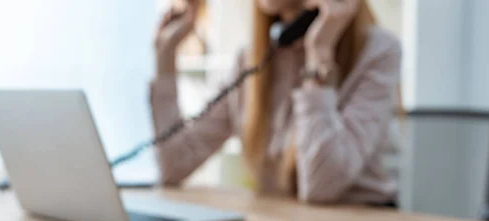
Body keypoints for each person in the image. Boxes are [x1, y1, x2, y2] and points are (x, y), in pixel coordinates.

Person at [151, 0, 401, 204]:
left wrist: (319, 55)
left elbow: (321, 187)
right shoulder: (251, 60)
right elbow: (174, 165)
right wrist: (165, 58)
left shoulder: (378, 51)